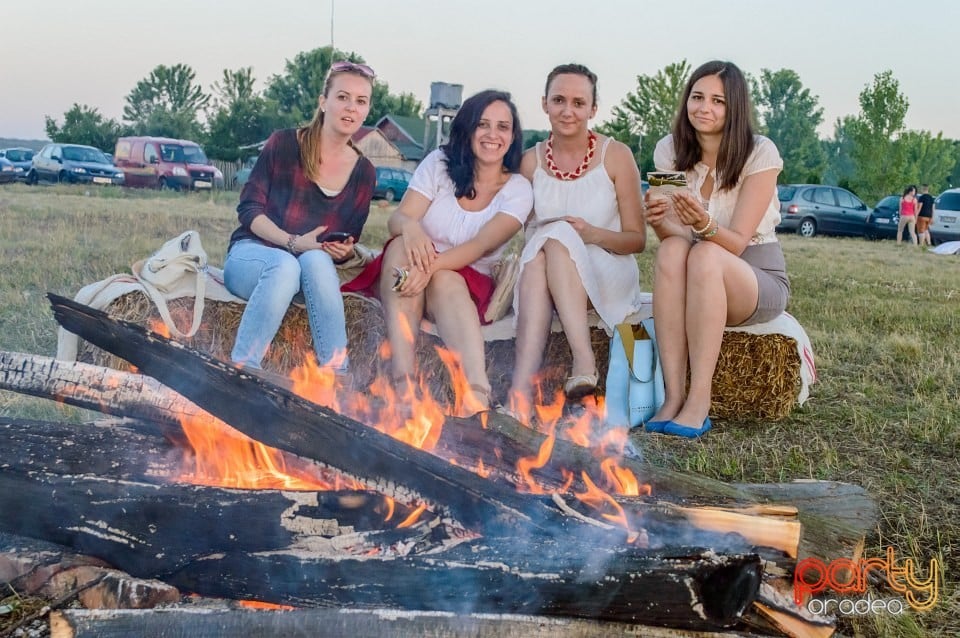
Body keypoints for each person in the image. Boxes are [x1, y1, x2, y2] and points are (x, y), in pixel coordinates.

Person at [342, 90, 533, 416]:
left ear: (513, 136)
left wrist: (429, 268)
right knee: (403, 245)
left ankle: (476, 399)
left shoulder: (518, 189)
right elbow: (398, 219)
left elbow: (479, 246)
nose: (492, 134)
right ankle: (403, 385)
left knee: (445, 278)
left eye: (503, 127)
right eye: (483, 124)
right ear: (468, 129)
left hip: (465, 281)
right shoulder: (439, 163)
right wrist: (412, 228)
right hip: (409, 266)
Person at [644, 60, 789, 438]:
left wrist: (702, 224)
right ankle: (673, 396)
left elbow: (738, 241)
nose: (704, 108)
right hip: (695, 267)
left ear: (734, 107)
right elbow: (673, 238)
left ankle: (700, 399)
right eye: (697, 97)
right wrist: (659, 217)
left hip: (755, 274)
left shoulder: (760, 153)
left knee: (705, 253)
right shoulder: (669, 150)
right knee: (672, 252)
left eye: (718, 101)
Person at [505, 63, 646, 421]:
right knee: (544, 248)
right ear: (544, 104)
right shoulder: (528, 162)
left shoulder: (616, 156)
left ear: (593, 109)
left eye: (579, 103)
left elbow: (637, 240)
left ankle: (580, 360)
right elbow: (516, 229)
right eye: (559, 100)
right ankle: (523, 386)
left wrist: (589, 233)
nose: (568, 110)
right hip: (546, 276)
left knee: (555, 237)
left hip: (607, 268)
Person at [224, 61, 377, 377]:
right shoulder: (284, 144)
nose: (351, 108)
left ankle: (336, 376)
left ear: (367, 110)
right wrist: (293, 242)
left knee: (317, 262)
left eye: (361, 101)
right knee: (286, 264)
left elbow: (349, 238)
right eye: (342, 97)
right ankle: (242, 371)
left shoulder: (364, 173)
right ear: (323, 102)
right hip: (252, 260)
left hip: (308, 275)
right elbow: (249, 210)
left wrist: (344, 252)